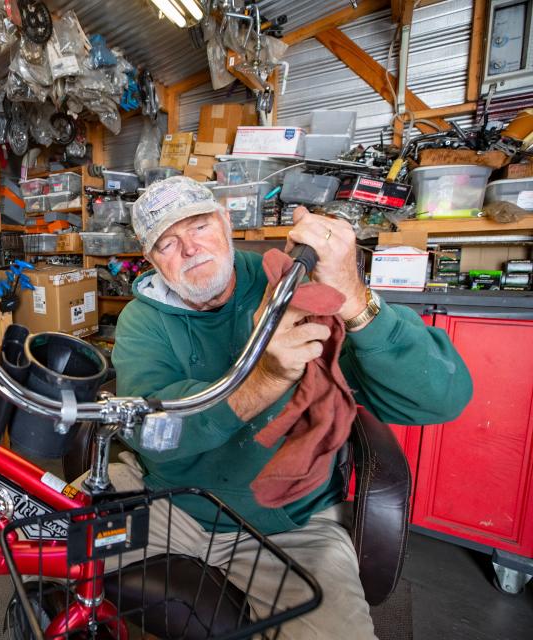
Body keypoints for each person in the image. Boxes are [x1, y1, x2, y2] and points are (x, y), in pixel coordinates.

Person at [108, 176, 472, 638]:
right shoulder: (143, 317)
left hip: (288, 526)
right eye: (166, 243)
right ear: (150, 260)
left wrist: (353, 296)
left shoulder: (295, 285)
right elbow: (152, 435)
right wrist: (267, 378)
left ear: (225, 223)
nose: (189, 249)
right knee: (39, 541)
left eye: (199, 227)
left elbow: (440, 398)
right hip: (169, 503)